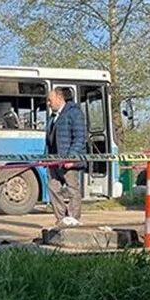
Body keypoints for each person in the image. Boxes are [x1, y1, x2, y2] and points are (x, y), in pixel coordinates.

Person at [45, 86, 87, 226]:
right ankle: (61, 219)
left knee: (72, 189)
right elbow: (49, 140)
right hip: (53, 161)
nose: (48, 103)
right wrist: (45, 157)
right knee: (53, 188)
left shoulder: (74, 113)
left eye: (50, 100)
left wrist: (71, 158)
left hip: (68, 160)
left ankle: (73, 219)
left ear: (59, 98)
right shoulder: (52, 117)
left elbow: (79, 138)